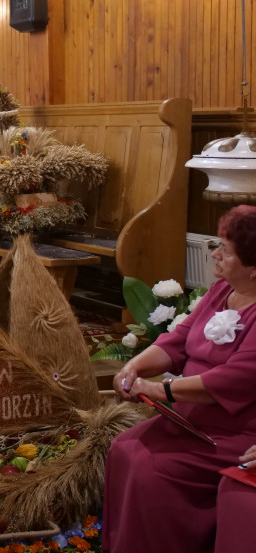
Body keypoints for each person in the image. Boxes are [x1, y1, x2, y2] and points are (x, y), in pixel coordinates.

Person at [103, 204, 256, 553]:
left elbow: (233, 380)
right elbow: (176, 340)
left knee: (149, 467)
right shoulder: (220, 290)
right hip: (186, 415)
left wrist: (160, 390)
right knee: (123, 448)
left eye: (226, 251)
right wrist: (134, 367)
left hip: (231, 430)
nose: (214, 254)